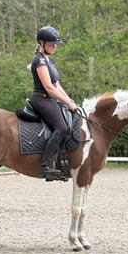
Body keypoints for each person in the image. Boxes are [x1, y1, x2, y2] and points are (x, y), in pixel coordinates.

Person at [30, 25, 78, 180]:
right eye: (51, 44)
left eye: (55, 44)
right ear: (41, 43)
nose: (54, 47)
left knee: (69, 121)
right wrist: (67, 102)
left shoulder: (49, 60)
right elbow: (49, 88)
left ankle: (61, 161)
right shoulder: (39, 60)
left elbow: (57, 84)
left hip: (50, 99)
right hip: (41, 99)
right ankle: (44, 166)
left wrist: (69, 100)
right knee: (62, 128)